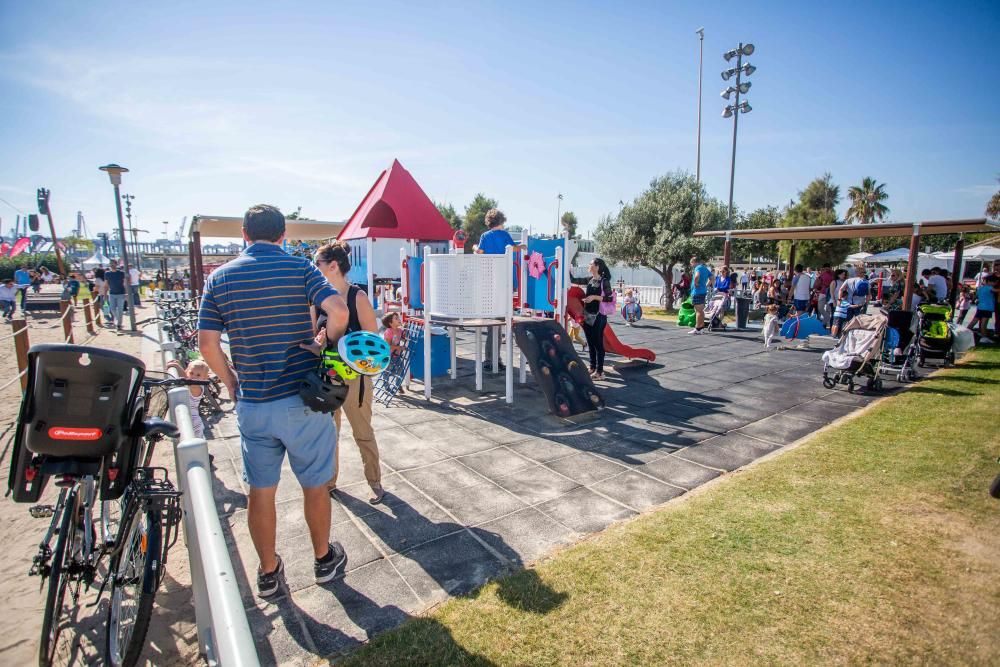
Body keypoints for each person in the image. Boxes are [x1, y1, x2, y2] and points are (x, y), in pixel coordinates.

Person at [198, 204, 350, 597]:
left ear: (244, 236)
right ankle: (322, 560)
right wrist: (323, 343)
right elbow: (338, 310)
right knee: (315, 486)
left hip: (254, 402)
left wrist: (230, 380)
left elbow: (207, 344)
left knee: (260, 491)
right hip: (300, 398)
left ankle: (268, 572)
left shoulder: (219, 278)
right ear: (283, 235)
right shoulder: (300, 269)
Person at [306, 241, 386, 504]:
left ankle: (375, 482)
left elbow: (373, 341)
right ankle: (330, 482)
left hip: (355, 379)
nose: (312, 268)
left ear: (333, 266)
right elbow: (311, 339)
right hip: (326, 379)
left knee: (362, 431)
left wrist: (347, 344)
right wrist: (316, 343)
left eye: (316, 263)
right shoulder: (316, 298)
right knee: (328, 435)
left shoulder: (357, 297)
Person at [474, 208, 526, 367]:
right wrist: (522, 246)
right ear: (501, 221)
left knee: (492, 323)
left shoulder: (485, 236)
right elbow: (512, 248)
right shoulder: (504, 235)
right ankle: (493, 359)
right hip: (505, 281)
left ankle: (491, 358)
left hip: (489, 281)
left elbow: (480, 253)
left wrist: (474, 247)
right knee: (498, 323)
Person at [581, 258, 614, 379]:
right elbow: (573, 279)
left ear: (597, 267)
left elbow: (610, 298)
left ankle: (600, 372)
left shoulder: (604, 281)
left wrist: (594, 297)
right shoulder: (590, 280)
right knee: (590, 342)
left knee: (598, 344)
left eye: (591, 264)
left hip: (598, 316)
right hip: (588, 315)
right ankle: (592, 367)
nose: (589, 265)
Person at [166, 359, 210, 438]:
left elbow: (188, 380)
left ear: (205, 378)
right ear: (186, 371)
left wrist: (177, 366)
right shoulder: (189, 382)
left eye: (198, 375)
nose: (194, 376)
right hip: (186, 419)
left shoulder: (197, 388)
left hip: (193, 423)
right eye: (191, 373)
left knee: (195, 447)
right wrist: (179, 366)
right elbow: (185, 378)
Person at [689, 255, 713, 334]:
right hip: (703, 291)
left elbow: (697, 276)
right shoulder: (705, 268)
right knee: (701, 311)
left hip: (697, 292)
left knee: (698, 311)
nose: (691, 265)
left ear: (694, 262)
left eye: (691, 263)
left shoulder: (698, 268)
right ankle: (701, 327)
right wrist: (707, 285)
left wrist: (696, 283)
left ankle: (697, 328)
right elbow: (712, 278)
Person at [104, 260, 128, 330]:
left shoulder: (121, 273)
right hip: (112, 293)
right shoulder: (107, 273)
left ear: (116, 264)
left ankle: (119, 324)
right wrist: (105, 294)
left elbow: (125, 283)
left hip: (121, 293)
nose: (112, 265)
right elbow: (106, 284)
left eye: (113, 264)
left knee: (120, 309)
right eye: (111, 264)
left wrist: (126, 293)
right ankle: (117, 319)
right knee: (112, 309)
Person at [973, 275, 997, 343]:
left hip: (980, 307)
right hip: (987, 308)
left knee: (974, 320)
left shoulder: (980, 288)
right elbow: (996, 290)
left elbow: (975, 297)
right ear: (990, 282)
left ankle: (967, 331)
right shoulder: (990, 288)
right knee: (984, 323)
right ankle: (983, 337)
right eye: (995, 282)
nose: (995, 284)